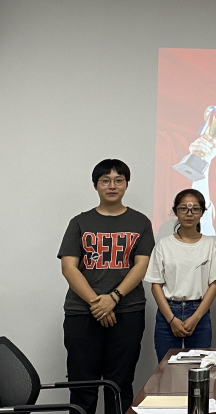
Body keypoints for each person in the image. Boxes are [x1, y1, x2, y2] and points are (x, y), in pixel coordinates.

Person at [58, 159, 155, 414]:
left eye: (118, 180)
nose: (112, 186)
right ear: (96, 185)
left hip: (127, 311)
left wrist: (114, 297)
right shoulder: (79, 222)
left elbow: (141, 265)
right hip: (82, 312)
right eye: (105, 181)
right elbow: (69, 267)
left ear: (126, 185)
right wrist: (97, 303)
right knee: (82, 386)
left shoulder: (141, 222)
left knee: (119, 385)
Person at [144, 189, 216, 362]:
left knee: (199, 368)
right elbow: (156, 285)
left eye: (195, 209)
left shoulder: (209, 244)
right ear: (176, 211)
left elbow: (214, 284)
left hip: (199, 313)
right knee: (167, 369)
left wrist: (195, 318)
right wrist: (171, 319)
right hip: (168, 312)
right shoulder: (164, 244)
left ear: (202, 212)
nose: (189, 214)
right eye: (183, 208)